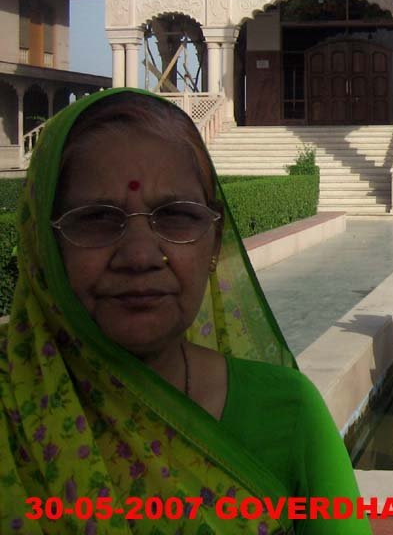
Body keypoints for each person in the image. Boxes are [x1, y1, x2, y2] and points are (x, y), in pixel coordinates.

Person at [0, 89, 372, 534]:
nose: (139, 256)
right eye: (98, 218)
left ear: (214, 244)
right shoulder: (13, 408)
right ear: (44, 244)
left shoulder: (288, 412)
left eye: (176, 216)